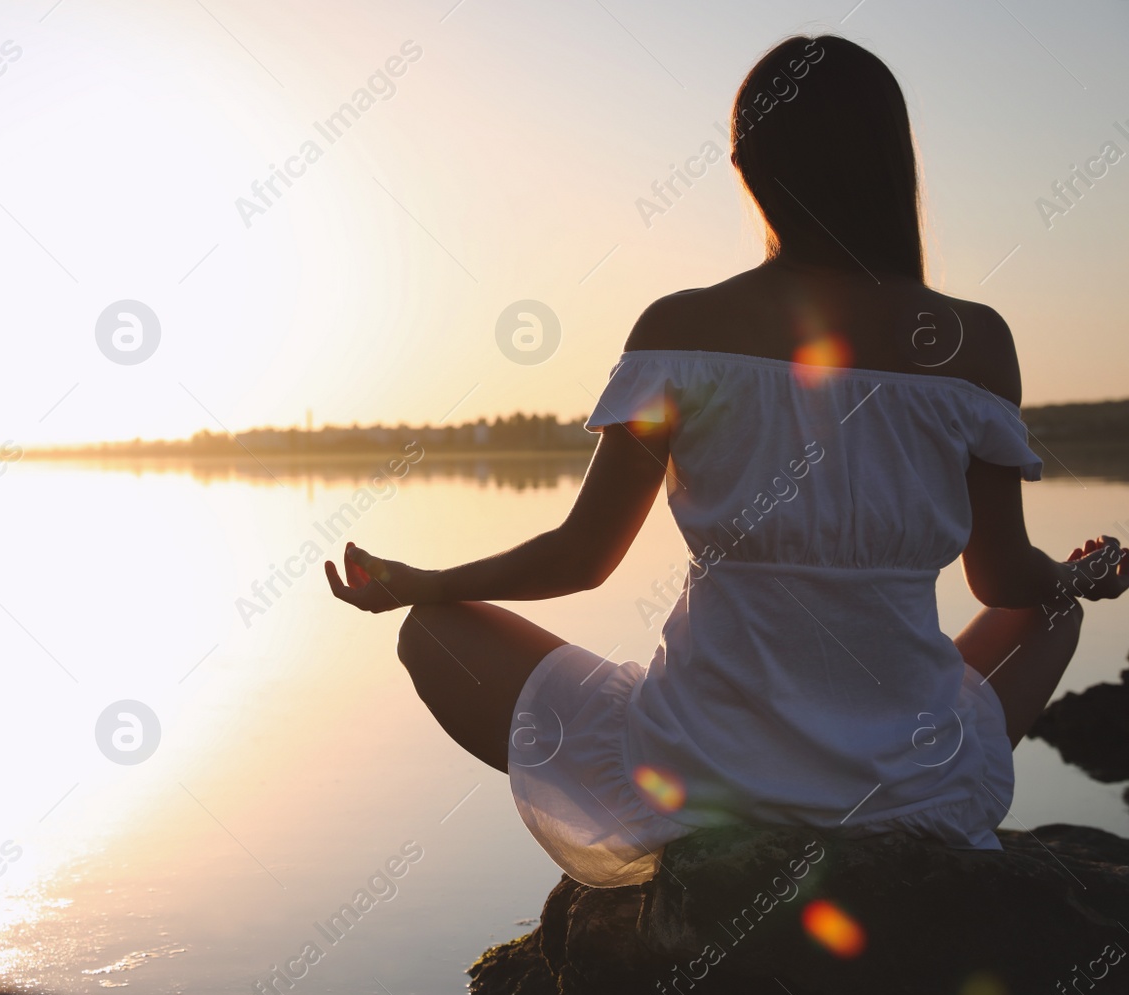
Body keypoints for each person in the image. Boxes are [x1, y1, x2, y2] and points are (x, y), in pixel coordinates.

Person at [323, 34, 1129, 888]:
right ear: (895, 160)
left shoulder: (680, 330)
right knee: (1054, 612)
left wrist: (428, 582)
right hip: (910, 780)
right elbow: (1005, 581)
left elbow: (582, 558)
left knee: (436, 632)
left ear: (745, 165)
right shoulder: (975, 341)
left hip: (699, 775)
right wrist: (1086, 576)